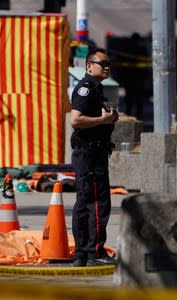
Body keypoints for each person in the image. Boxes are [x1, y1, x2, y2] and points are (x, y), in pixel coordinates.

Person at [70, 48, 118, 267]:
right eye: (102, 64)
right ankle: (95, 252)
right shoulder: (86, 89)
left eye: (108, 64)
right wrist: (103, 120)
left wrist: (108, 119)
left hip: (91, 152)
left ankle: (82, 253)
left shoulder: (96, 90)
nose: (107, 67)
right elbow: (76, 120)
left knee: (84, 202)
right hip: (90, 154)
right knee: (97, 203)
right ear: (89, 66)